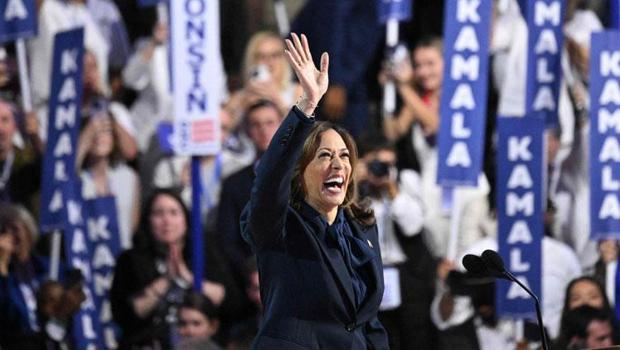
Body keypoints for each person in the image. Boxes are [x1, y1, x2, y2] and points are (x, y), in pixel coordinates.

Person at [240, 33, 388, 349]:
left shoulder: (361, 228)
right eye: (324, 155)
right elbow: (269, 179)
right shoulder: (280, 226)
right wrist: (306, 104)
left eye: (344, 156)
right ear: (300, 171)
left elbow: (367, 321)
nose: (337, 164)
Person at [110, 189, 228, 348]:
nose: (167, 220)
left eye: (174, 213)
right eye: (158, 214)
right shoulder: (130, 260)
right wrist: (166, 279)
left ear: (185, 219)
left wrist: (187, 277)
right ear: (148, 220)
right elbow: (130, 313)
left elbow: (225, 300)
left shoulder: (204, 253)